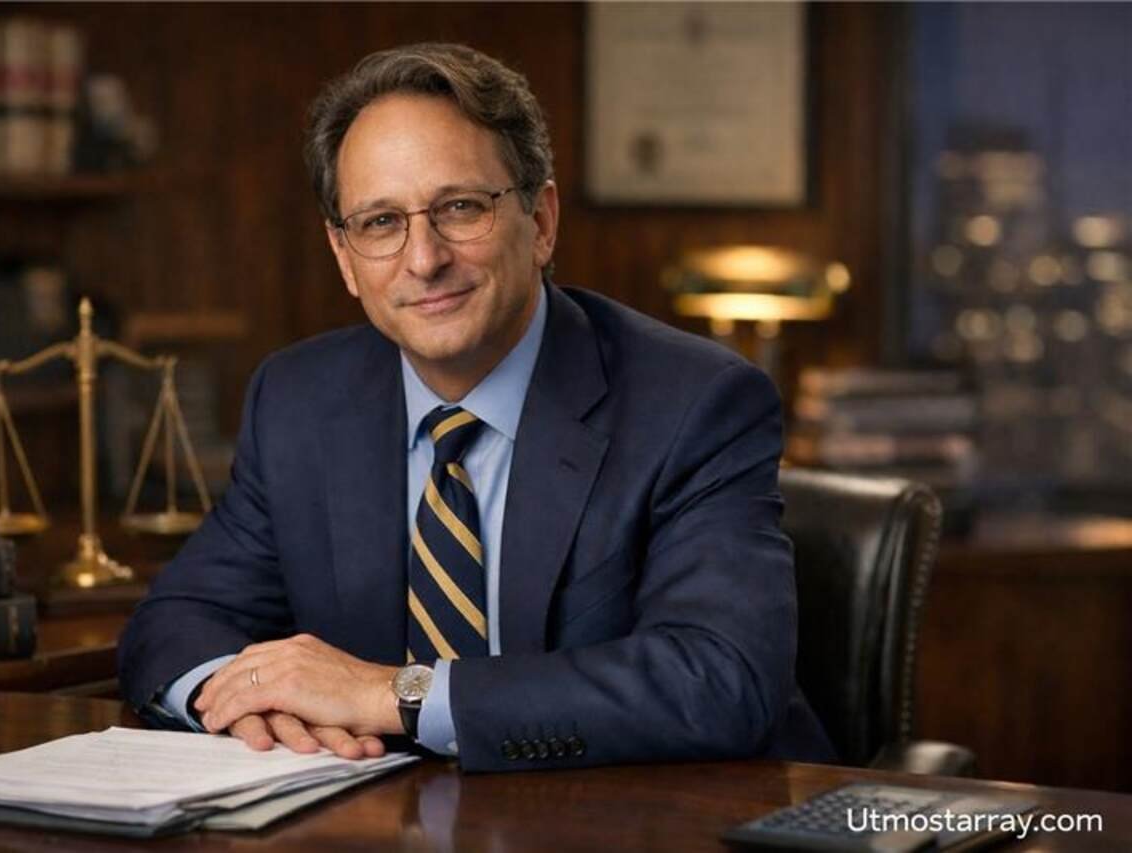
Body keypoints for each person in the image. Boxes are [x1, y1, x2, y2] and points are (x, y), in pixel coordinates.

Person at [118, 42, 835, 772]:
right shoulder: (300, 401)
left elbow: (719, 679)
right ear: (343, 257)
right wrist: (257, 702)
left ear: (542, 220)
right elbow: (174, 623)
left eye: (460, 207)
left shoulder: (695, 403)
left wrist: (392, 694)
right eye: (380, 223)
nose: (423, 258)